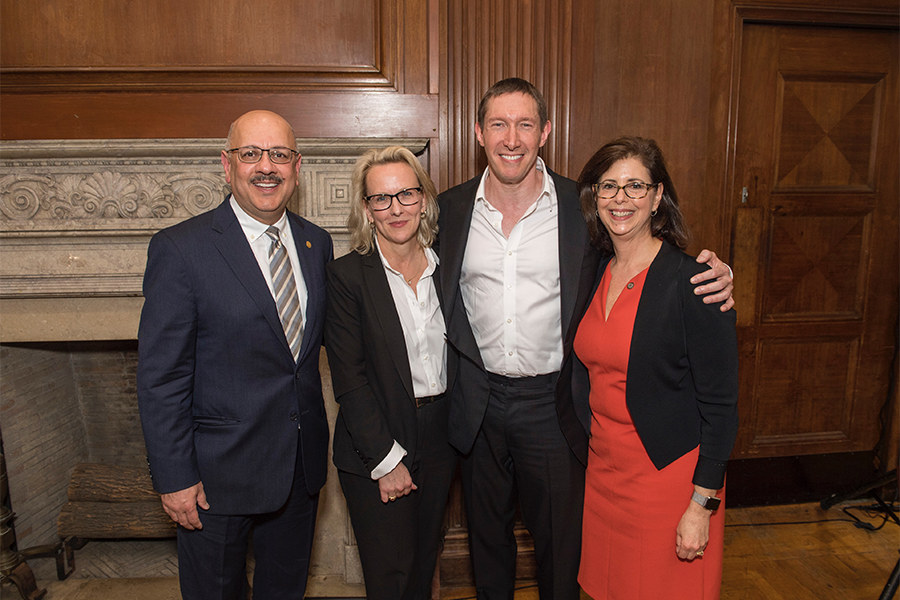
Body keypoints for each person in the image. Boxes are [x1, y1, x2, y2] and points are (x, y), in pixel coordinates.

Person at [436, 78, 735, 600]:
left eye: (526, 125)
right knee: (488, 546)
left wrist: (716, 274)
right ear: (478, 133)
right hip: (477, 401)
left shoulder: (585, 210)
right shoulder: (449, 211)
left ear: (545, 132)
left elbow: (654, 266)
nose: (512, 139)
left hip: (555, 405)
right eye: (499, 125)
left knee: (563, 549)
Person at [137, 110, 333, 600]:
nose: (266, 166)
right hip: (214, 480)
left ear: (297, 165)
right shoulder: (181, 250)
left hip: (297, 472)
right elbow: (161, 377)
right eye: (251, 154)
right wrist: (175, 477)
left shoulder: (316, 244)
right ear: (227, 165)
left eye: (280, 155)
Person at [573, 136, 739, 599]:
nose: (620, 199)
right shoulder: (595, 270)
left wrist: (702, 504)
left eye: (634, 186)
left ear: (657, 197)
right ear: (595, 197)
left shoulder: (694, 283)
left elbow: (722, 406)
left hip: (667, 480)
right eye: (609, 186)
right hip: (603, 472)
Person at [324, 146, 457, 600]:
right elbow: (350, 379)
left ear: (424, 198)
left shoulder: (449, 267)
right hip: (377, 441)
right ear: (367, 209)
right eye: (382, 199)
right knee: (391, 580)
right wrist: (386, 460)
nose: (396, 208)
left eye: (406, 194)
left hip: (441, 434)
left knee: (423, 569)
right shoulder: (346, 278)